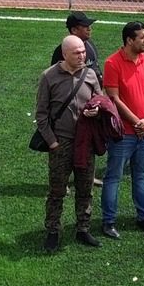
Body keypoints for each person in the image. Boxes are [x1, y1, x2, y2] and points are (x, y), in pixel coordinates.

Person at [35, 35, 106, 251]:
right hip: (61, 142)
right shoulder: (49, 77)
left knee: (85, 188)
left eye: (83, 52)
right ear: (64, 54)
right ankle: (53, 231)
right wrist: (53, 143)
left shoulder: (91, 74)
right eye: (77, 52)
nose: (82, 56)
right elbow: (41, 114)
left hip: (85, 142)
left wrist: (97, 109)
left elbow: (100, 99)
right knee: (57, 190)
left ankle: (83, 228)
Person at [100, 21, 144, 237]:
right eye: (142, 37)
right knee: (114, 176)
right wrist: (137, 122)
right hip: (123, 133)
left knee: (142, 175)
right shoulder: (112, 63)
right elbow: (114, 98)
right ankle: (108, 221)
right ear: (129, 40)